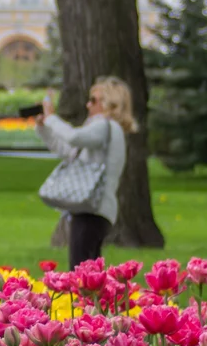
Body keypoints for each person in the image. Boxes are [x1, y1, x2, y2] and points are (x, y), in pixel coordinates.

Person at [35, 76, 134, 267]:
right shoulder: (103, 130)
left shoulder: (105, 126)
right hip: (92, 208)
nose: (88, 105)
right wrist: (43, 126)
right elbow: (65, 148)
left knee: (80, 270)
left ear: (110, 103)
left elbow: (73, 137)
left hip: (92, 209)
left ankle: (85, 298)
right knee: (90, 269)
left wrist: (51, 118)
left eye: (94, 100)